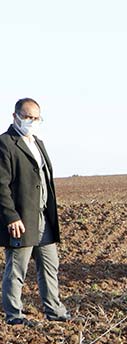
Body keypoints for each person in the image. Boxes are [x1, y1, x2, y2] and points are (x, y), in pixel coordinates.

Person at [0, 98, 71, 325]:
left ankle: (55, 312)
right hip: (21, 219)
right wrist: (11, 216)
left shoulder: (38, 142)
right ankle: (14, 316)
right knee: (17, 269)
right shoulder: (6, 143)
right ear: (15, 116)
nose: (31, 121)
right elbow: (1, 185)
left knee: (50, 266)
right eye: (27, 117)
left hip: (43, 217)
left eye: (36, 118)